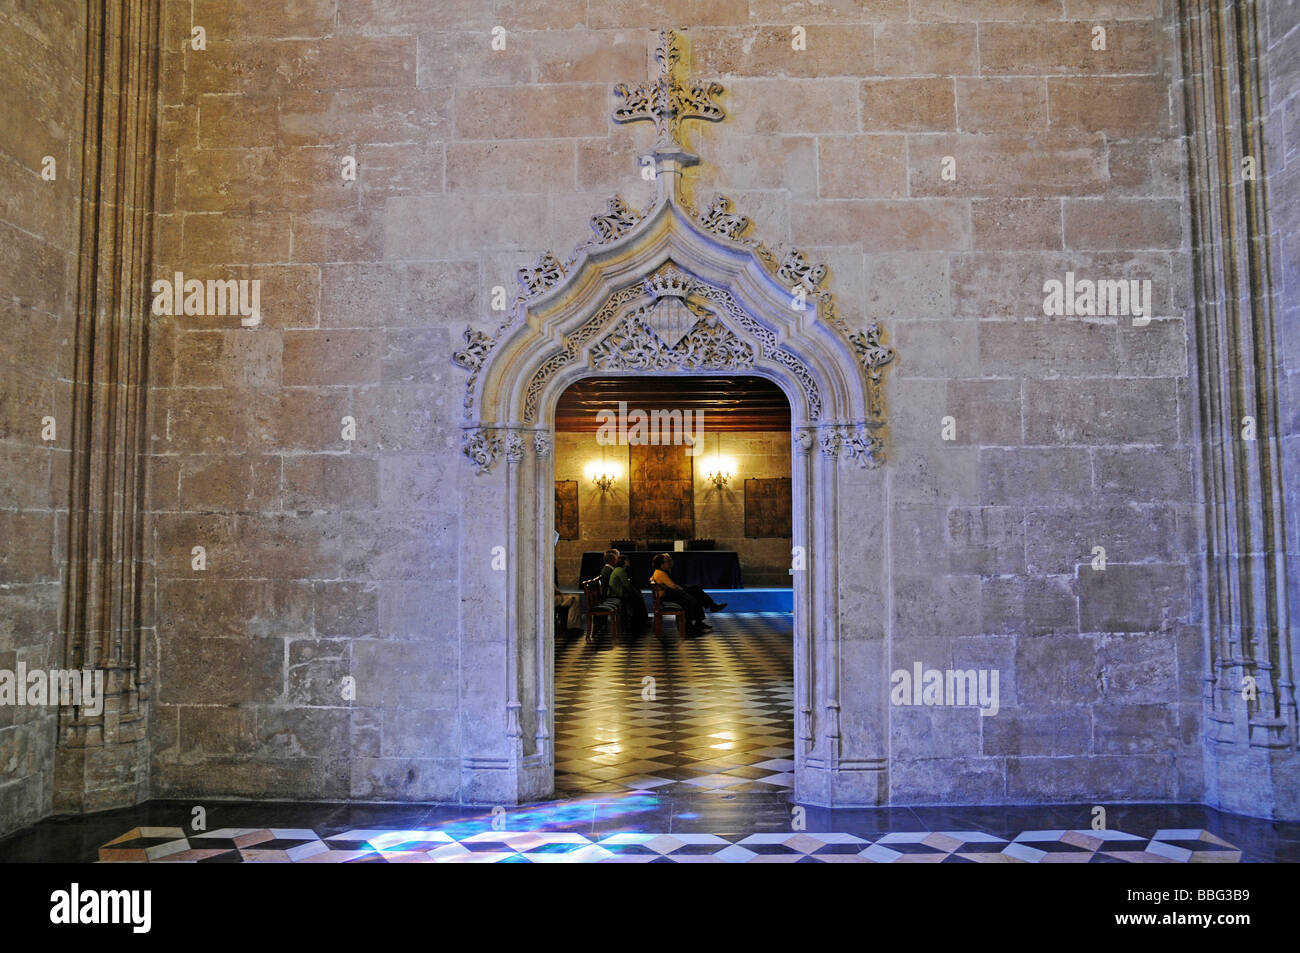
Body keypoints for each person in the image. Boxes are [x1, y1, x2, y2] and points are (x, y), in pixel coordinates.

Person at [650, 553, 727, 635]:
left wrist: (683, 589)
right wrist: (683, 590)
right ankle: (690, 626)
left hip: (670, 594)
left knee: (695, 590)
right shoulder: (660, 573)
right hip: (667, 597)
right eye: (666, 561)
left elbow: (672, 579)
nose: (668, 562)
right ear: (661, 564)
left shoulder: (662, 571)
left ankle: (706, 612)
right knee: (692, 597)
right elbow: (673, 586)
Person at [608, 554, 647, 636]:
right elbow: (627, 585)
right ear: (623, 562)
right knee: (637, 598)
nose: (628, 561)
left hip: (618, 592)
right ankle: (638, 622)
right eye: (627, 560)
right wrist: (635, 592)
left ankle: (640, 620)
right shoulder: (620, 570)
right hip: (617, 594)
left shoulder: (619, 570)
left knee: (637, 595)